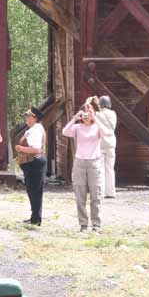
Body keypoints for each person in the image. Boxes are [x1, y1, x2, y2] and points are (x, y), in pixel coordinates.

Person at [62, 96, 112, 233]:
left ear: (93, 113)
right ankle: (83, 224)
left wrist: (95, 119)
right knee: (80, 195)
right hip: (79, 162)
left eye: (88, 111)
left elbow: (107, 133)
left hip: (94, 162)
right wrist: (74, 119)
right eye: (84, 111)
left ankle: (96, 224)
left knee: (96, 195)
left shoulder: (97, 127)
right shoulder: (77, 127)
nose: (86, 114)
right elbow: (65, 132)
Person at [16, 106, 46, 226]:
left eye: (29, 116)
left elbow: (36, 149)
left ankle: (36, 218)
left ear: (35, 118)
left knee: (35, 191)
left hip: (35, 163)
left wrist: (21, 148)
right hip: (31, 163)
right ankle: (34, 217)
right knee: (32, 191)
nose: (27, 119)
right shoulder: (33, 129)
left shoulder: (37, 130)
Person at [96, 95, 117, 198]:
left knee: (100, 168)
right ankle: (111, 192)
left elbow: (98, 114)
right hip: (111, 142)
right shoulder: (113, 114)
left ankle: (102, 192)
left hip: (101, 143)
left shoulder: (98, 115)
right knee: (110, 168)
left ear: (100, 104)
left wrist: (95, 103)